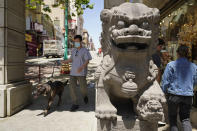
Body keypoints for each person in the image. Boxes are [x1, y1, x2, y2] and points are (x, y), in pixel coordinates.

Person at [162, 45, 197, 131]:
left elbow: (166, 81)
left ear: (177, 53)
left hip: (174, 95)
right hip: (188, 96)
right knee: (185, 119)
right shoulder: (194, 66)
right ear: (187, 54)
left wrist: (164, 92)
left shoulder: (171, 65)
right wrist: (189, 89)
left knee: (173, 118)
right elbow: (195, 81)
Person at [62, 35, 92, 111]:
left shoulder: (85, 50)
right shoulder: (73, 50)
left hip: (81, 73)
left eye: (77, 42)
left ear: (81, 42)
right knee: (72, 88)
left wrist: (81, 68)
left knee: (83, 89)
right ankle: (75, 103)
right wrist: (64, 62)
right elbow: (71, 59)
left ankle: (85, 96)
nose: (76, 43)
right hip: (73, 73)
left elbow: (87, 61)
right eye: (75, 42)